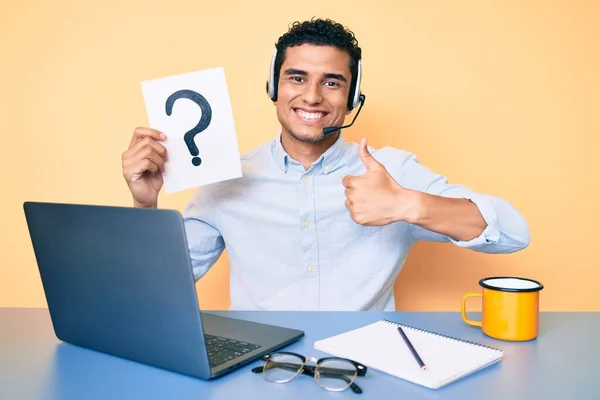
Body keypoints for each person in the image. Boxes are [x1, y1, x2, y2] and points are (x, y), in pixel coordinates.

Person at [121, 18, 530, 311]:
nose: (313, 97)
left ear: (352, 98)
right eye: (297, 78)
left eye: (332, 82)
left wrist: (409, 205)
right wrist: (145, 205)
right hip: (261, 369)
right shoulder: (227, 178)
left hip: (367, 366)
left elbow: (514, 232)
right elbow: (155, 290)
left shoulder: (391, 174)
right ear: (273, 88)